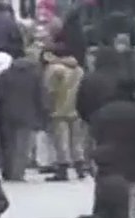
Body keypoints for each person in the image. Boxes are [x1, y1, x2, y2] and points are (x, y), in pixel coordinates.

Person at [88, 78, 135, 218]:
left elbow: (91, 140)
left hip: (107, 171)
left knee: (107, 214)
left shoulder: (101, 112)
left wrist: (93, 161)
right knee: (132, 216)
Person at [0, 52, 45, 182]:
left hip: (7, 114)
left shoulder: (5, 75)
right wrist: (42, 114)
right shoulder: (35, 76)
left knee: (9, 145)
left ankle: (8, 172)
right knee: (23, 146)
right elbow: (40, 96)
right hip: (28, 114)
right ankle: (18, 174)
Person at [42, 47, 85, 181]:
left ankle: (63, 169)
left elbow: (49, 90)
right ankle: (80, 168)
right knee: (76, 141)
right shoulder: (79, 70)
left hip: (58, 109)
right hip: (76, 108)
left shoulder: (54, 69)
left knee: (61, 142)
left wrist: (47, 106)